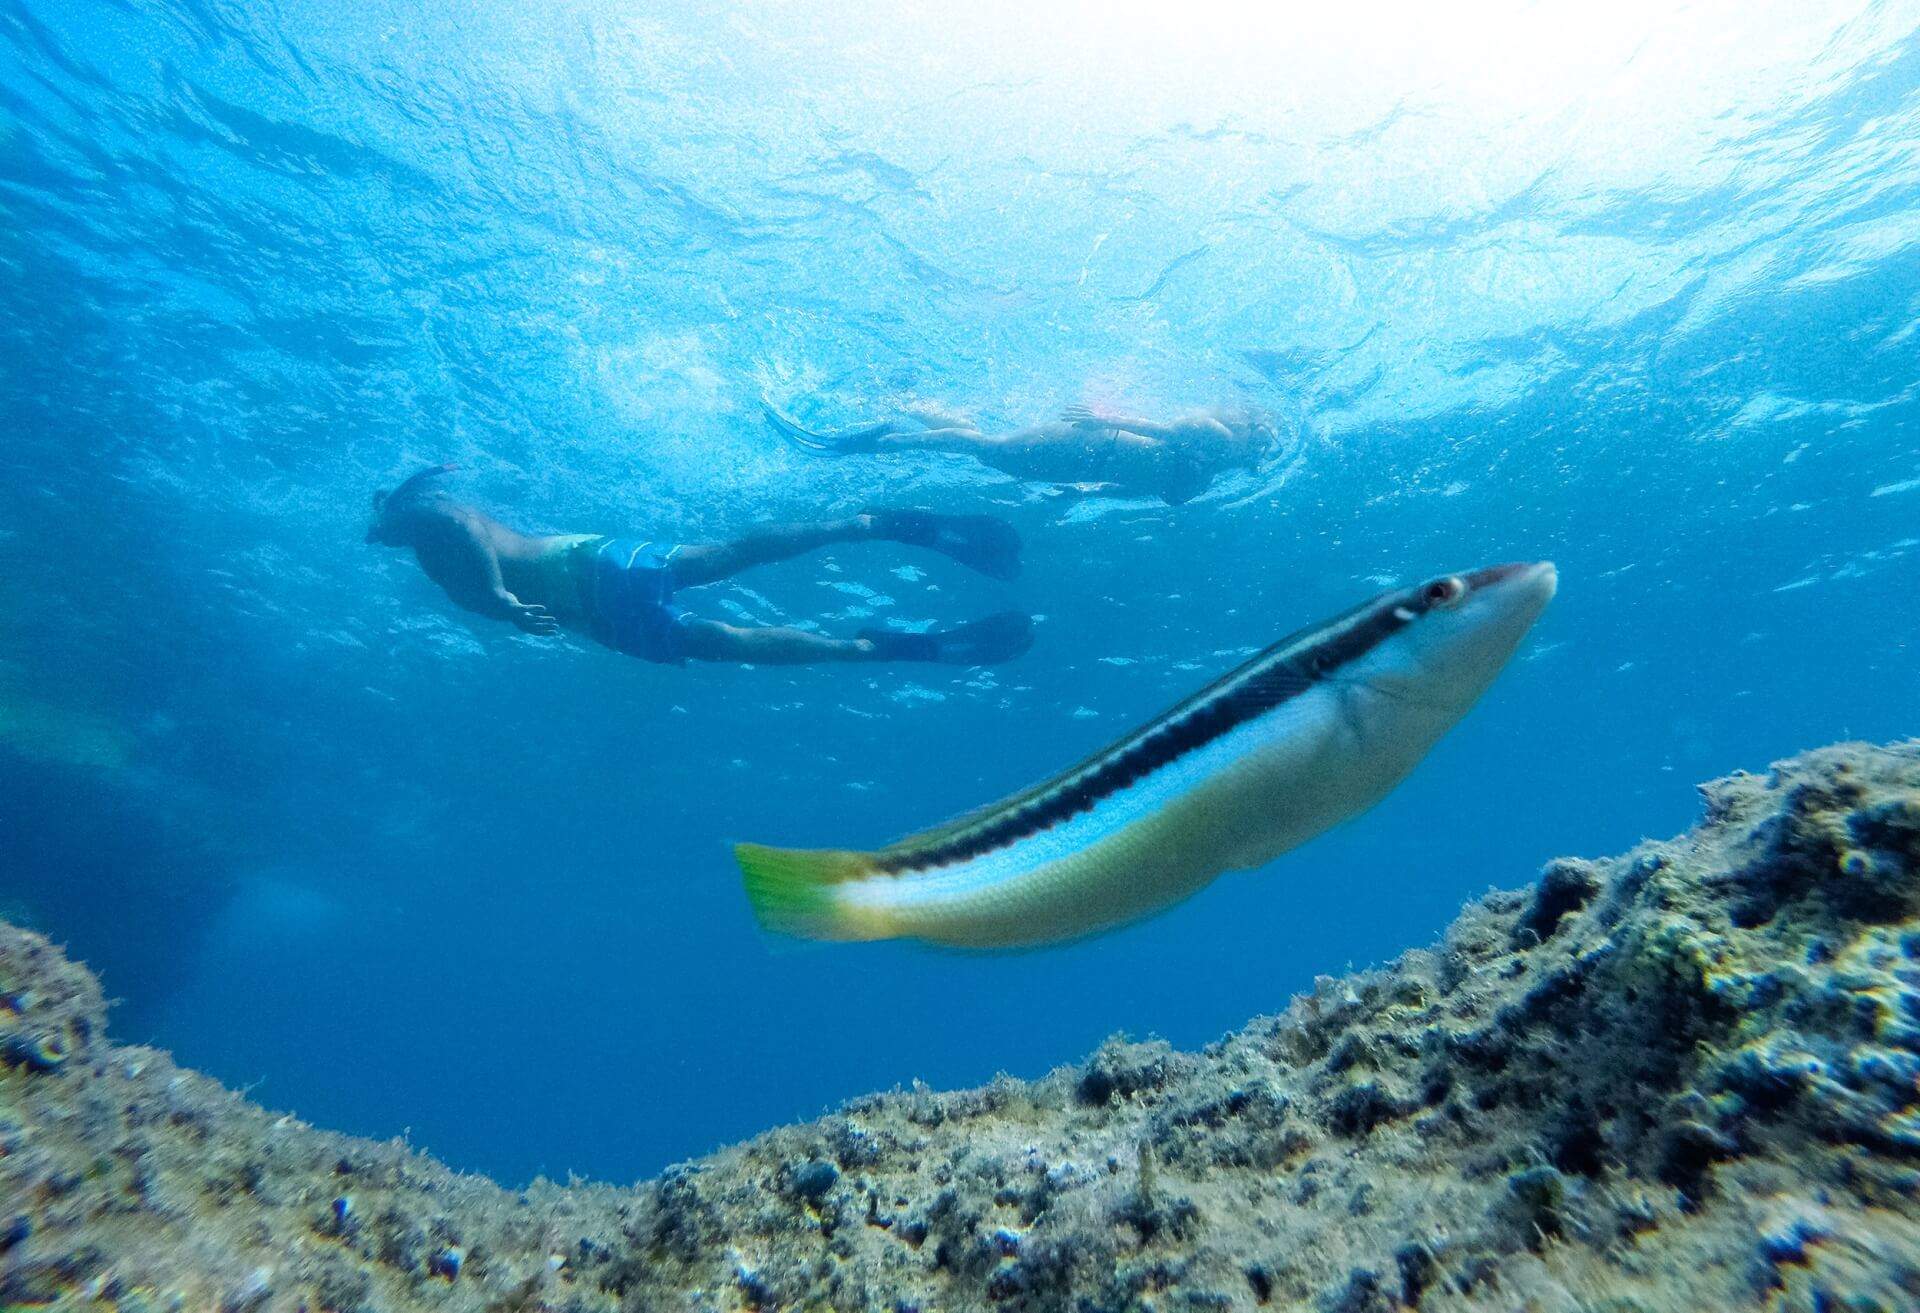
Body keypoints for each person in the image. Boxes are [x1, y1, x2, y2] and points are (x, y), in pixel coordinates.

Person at [364, 465, 1032, 666]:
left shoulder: (427, 517)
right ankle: (868, 635)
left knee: (720, 577)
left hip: (588, 572)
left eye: (380, 518)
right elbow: (481, 582)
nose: (375, 533)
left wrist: (498, 599)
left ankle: (860, 543)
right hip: (590, 606)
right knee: (720, 624)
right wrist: (504, 608)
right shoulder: (430, 557)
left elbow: (458, 526)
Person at [764, 400, 1279, 505]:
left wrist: (1085, 492)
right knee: (989, 450)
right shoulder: (1215, 438)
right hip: (1094, 439)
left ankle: (913, 404)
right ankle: (876, 443)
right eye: (1265, 442)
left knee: (989, 451)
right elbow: (1163, 431)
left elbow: (1133, 489)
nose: (1262, 455)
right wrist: (1105, 418)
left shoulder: (1204, 481)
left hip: (1087, 462)